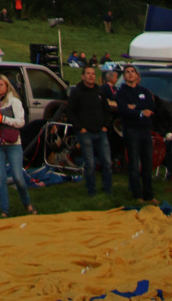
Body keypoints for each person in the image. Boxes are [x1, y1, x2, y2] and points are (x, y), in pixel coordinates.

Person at [0, 74, 36, 217]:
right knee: (1, 177)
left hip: (13, 143)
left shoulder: (14, 102)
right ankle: (4, 210)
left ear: (7, 87)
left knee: (18, 176)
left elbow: (20, 122)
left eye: (1, 85)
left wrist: (3, 118)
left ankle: (27, 204)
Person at [66, 65, 113, 196]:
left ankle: (107, 190)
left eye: (93, 73)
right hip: (85, 133)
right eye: (88, 73)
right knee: (90, 163)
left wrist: (106, 126)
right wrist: (80, 128)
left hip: (101, 131)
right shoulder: (77, 92)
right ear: (82, 76)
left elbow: (106, 110)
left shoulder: (100, 92)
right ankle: (91, 191)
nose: (91, 76)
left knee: (107, 162)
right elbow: (69, 111)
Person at [116, 64, 157, 202]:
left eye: (132, 71)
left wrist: (135, 107)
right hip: (131, 130)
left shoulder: (144, 91)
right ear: (124, 76)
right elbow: (123, 110)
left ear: (136, 75)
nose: (130, 74)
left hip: (145, 130)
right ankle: (137, 195)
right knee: (134, 163)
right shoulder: (121, 93)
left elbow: (151, 106)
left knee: (147, 163)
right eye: (127, 72)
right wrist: (140, 111)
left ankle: (149, 195)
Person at [152, 90, 172, 183]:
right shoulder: (151, 107)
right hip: (165, 130)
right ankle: (170, 173)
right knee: (167, 152)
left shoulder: (165, 105)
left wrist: (171, 132)